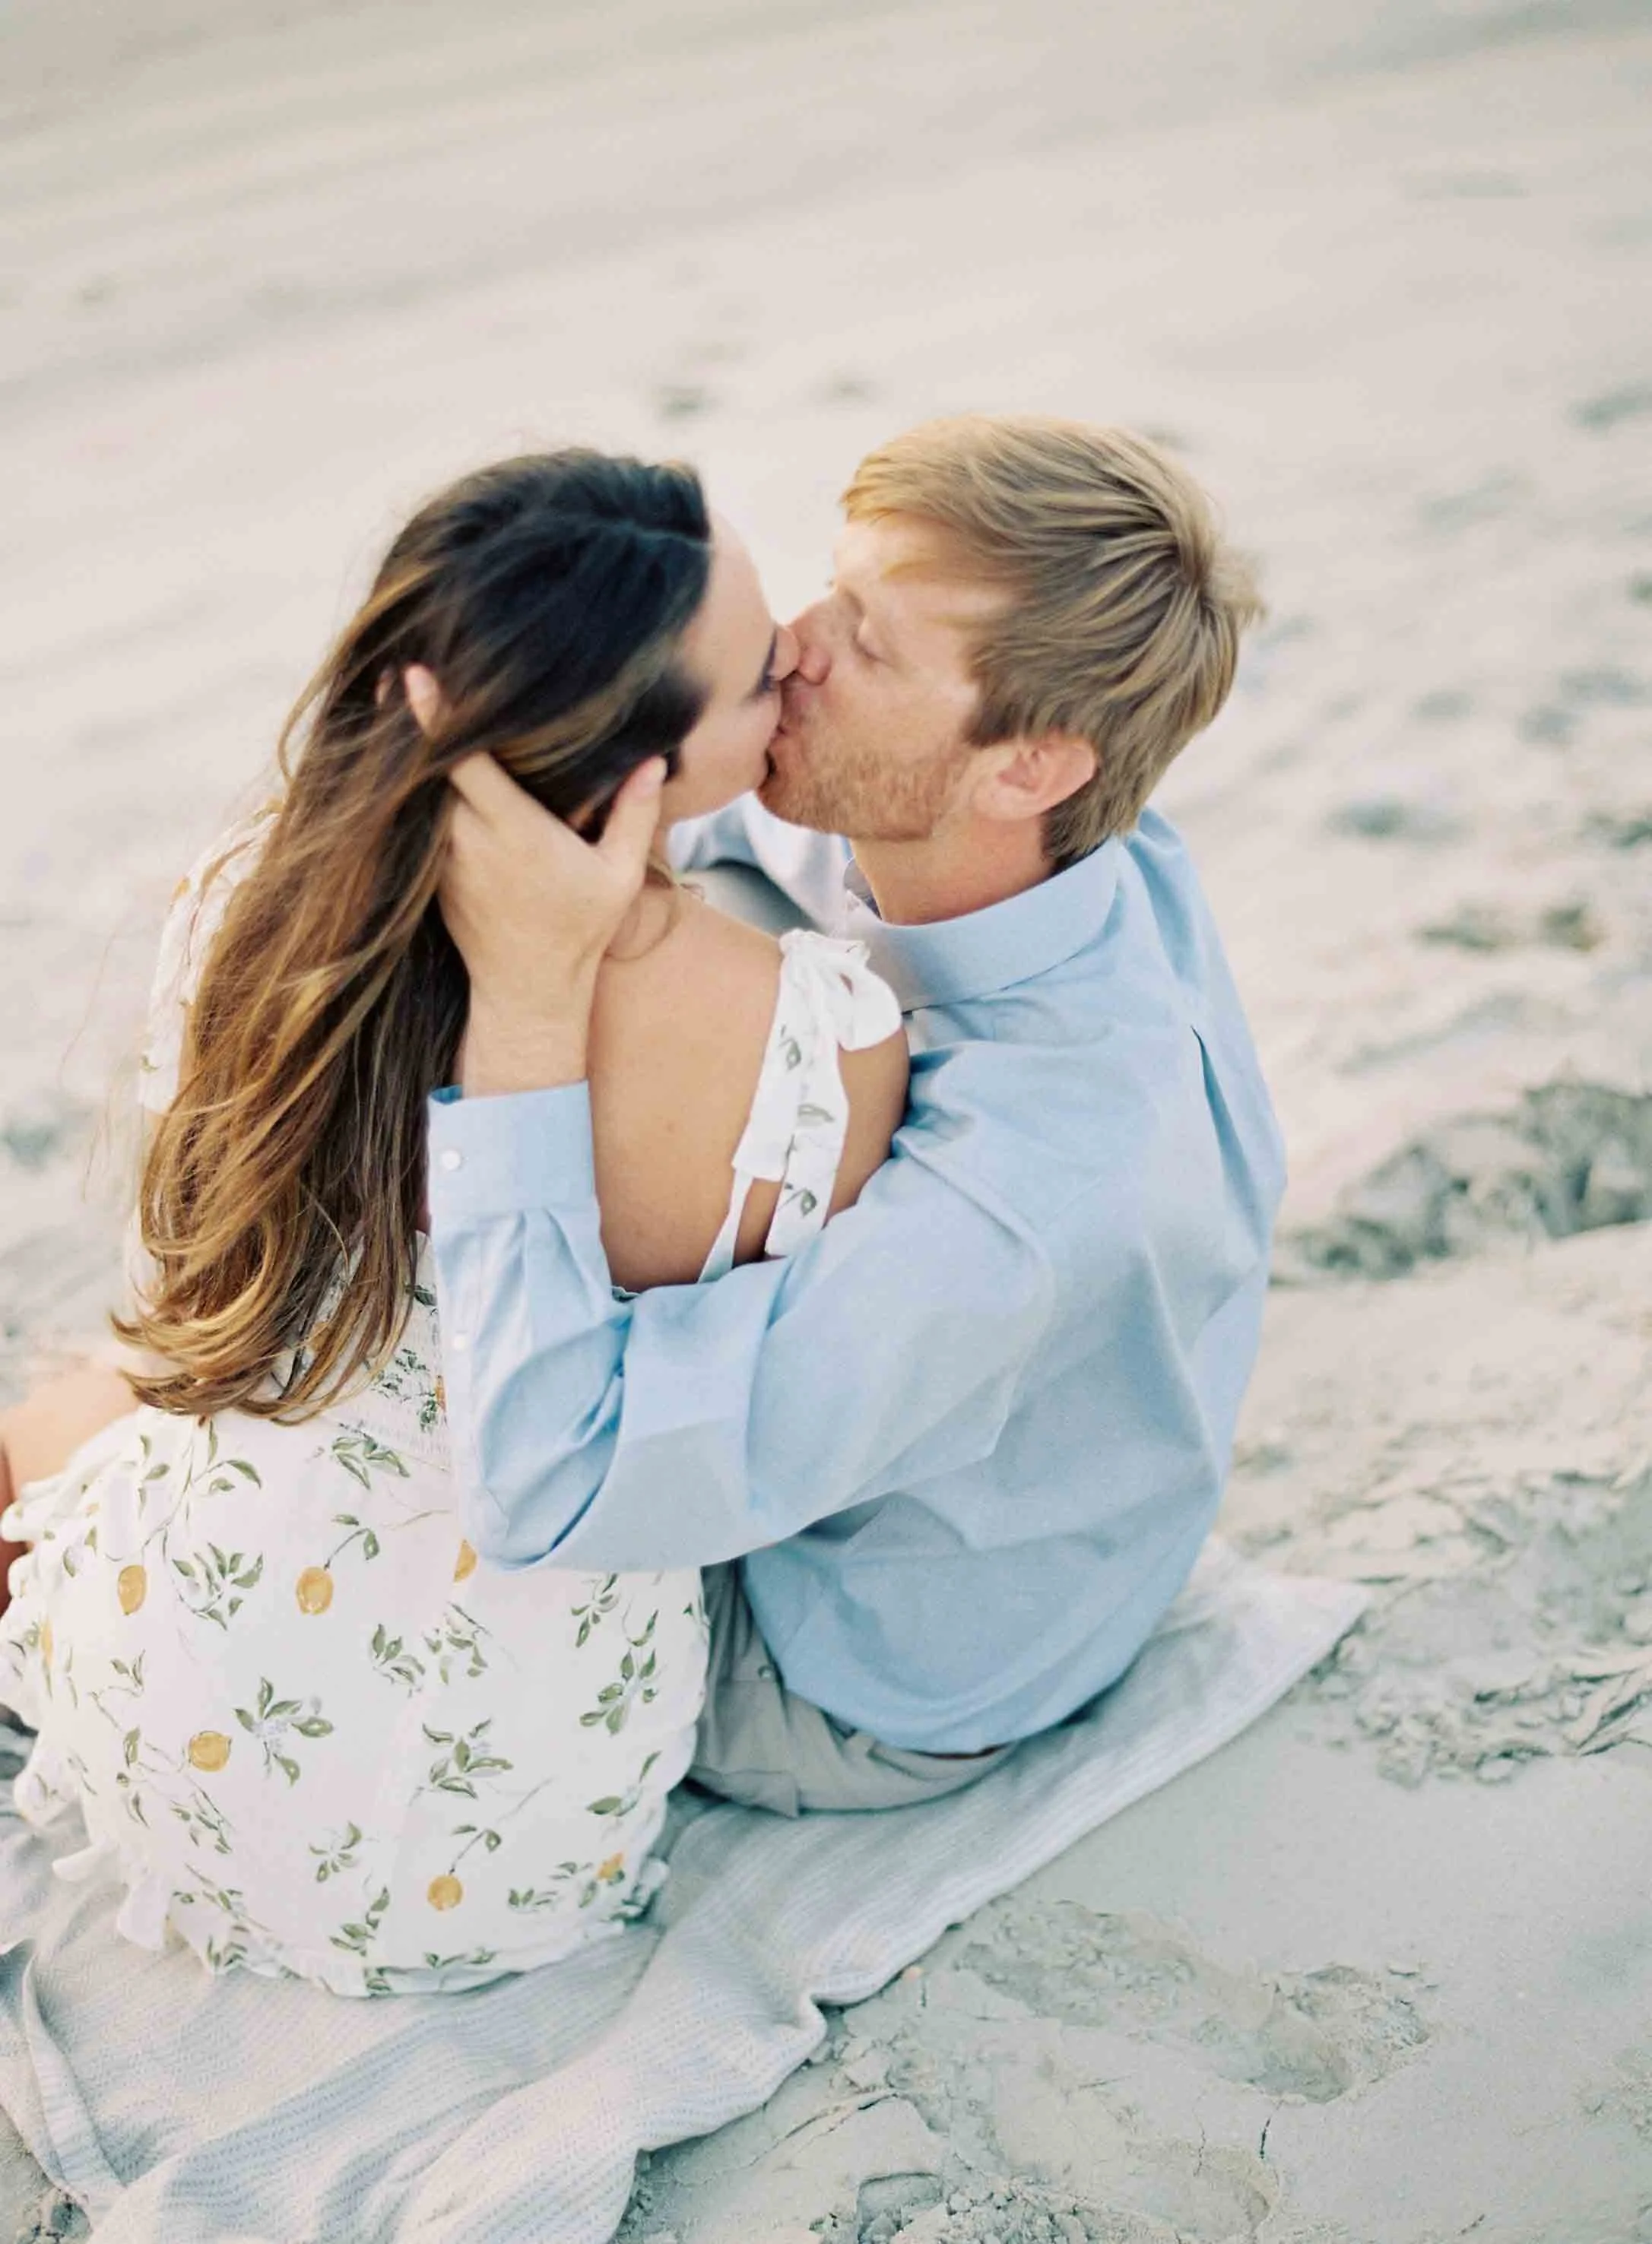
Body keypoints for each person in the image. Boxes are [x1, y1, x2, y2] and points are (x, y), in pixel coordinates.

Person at [0, 449, 908, 1994]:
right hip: (495, 1833)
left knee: (125, 1398)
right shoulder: (819, 1041)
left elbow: (211, 1307)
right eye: (763, 674)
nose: (801, 665)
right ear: (633, 773)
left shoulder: (251, 904)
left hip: (163, 1720)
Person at [424, 413, 1284, 1818]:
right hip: (1024, 1486)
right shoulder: (971, 827)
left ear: (1029, 767)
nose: (791, 646)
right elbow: (707, 821)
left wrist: (526, 1013)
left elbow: (554, 1481)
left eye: (867, 644)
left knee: (381, 1368)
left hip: (858, 1686)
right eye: (832, 588)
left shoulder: (1035, 1189)